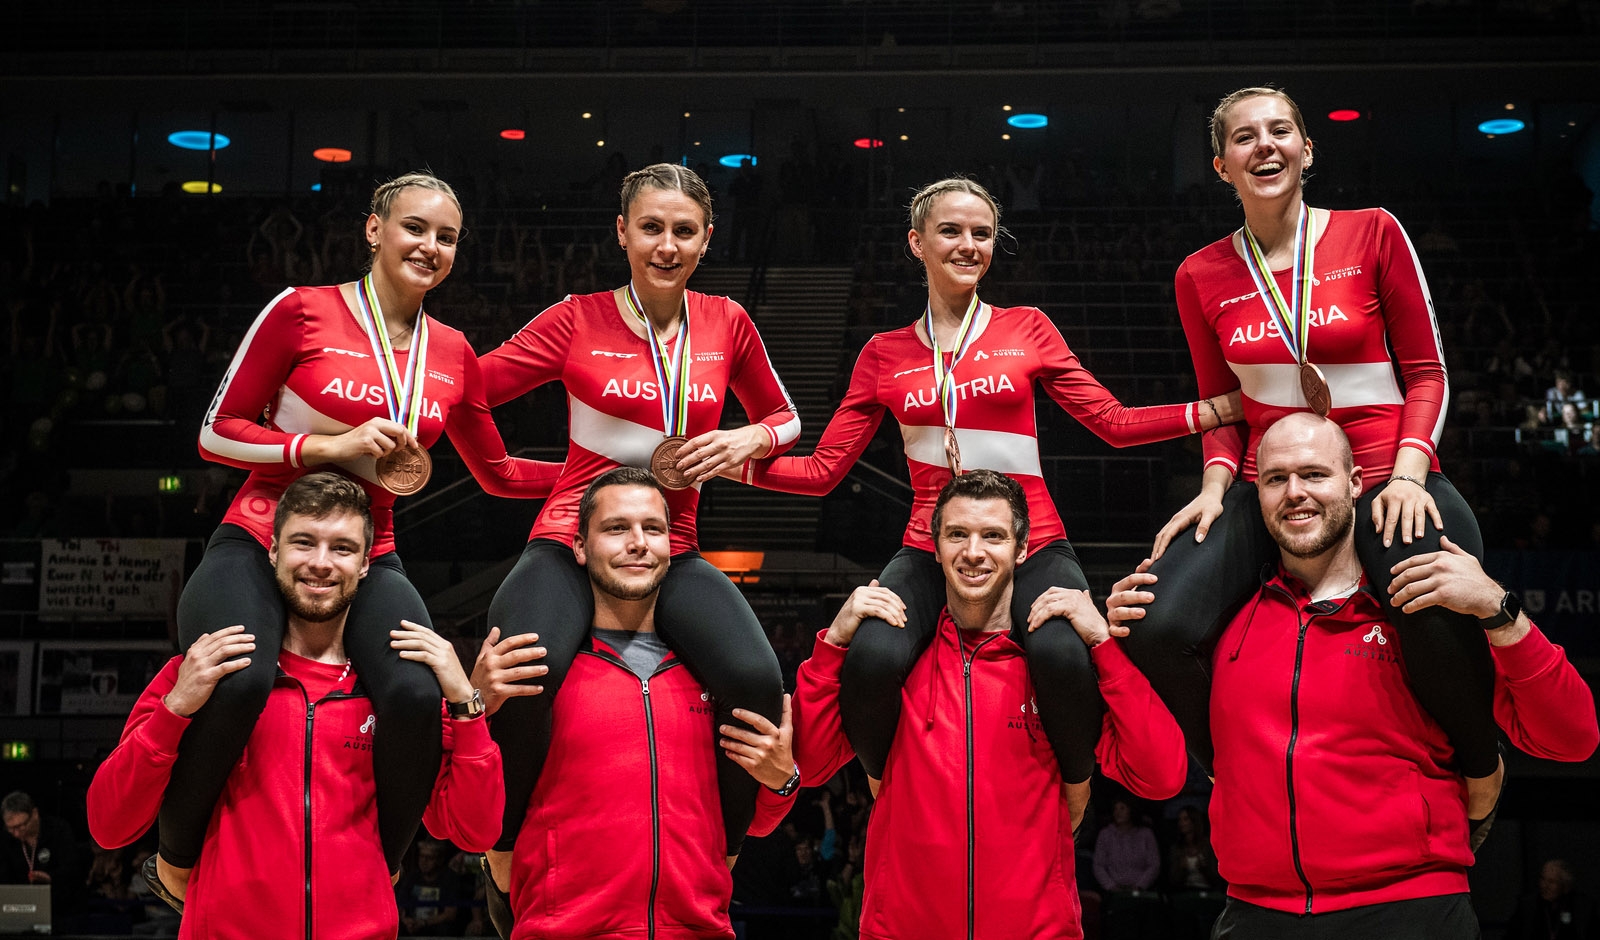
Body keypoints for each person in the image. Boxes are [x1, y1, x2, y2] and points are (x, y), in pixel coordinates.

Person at [730, 177, 1239, 806]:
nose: (968, 244)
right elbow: (824, 470)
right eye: (950, 231)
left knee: (1060, 655)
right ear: (916, 242)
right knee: (873, 659)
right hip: (927, 543)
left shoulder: (1027, 328)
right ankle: (886, 782)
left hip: (1034, 540)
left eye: (982, 233)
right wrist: (731, 465)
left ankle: (1075, 788)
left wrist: (1218, 409)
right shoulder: (883, 354)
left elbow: (1113, 423)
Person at [158, 173, 557, 902]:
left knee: (413, 691)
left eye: (446, 237)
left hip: (368, 553)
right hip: (260, 536)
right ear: (374, 229)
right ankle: (175, 859)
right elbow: (215, 433)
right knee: (240, 678)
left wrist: (598, 475)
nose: (429, 247)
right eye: (414, 228)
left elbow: (496, 472)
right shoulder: (302, 311)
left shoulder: (454, 352)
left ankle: (386, 861)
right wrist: (326, 447)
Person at [1123, 85, 1507, 837]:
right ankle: (1234, 770)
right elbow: (1218, 402)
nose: (1263, 146)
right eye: (1244, 137)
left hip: (1383, 470)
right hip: (1274, 484)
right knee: (1156, 626)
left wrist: (1406, 473)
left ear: (1306, 149)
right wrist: (1213, 485)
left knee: (1429, 595)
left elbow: (1427, 372)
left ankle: (1480, 765)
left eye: (1279, 132)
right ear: (1221, 164)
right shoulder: (1199, 274)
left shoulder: (1372, 232)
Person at [1108, 414, 1598, 936]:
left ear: (1356, 483)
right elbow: (1153, 765)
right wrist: (1112, 639)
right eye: (1276, 479)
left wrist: (1501, 612)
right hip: (1256, 914)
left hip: (1409, 910)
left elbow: (1572, 738)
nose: (1295, 492)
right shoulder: (1224, 625)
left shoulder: (1423, 616)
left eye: (1314, 474)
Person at [476, 163, 798, 890]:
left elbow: (787, 418)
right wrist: (504, 470)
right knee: (530, 675)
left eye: (684, 231)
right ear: (622, 232)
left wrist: (753, 440)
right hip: (569, 537)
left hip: (669, 547)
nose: (666, 245)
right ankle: (502, 852)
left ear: (706, 239)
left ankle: (724, 851)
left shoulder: (728, 322)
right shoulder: (574, 317)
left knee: (753, 676)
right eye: (650, 227)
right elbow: (469, 389)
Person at [86, 472, 504, 940]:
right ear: (272, 552)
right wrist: (175, 708)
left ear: (366, 564)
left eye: (342, 548)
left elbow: (475, 832)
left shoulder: (395, 692)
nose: (321, 563)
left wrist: (466, 704)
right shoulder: (203, 676)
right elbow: (109, 825)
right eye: (303, 542)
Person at [792, 469, 1187, 939]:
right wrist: (835, 641)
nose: (974, 552)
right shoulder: (901, 663)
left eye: (993, 536)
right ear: (935, 548)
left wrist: (1101, 641)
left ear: (1021, 550)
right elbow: (810, 765)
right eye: (957, 534)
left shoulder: (1053, 671)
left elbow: (1161, 775)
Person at [465, 468, 797, 939]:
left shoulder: (711, 675)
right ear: (580, 547)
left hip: (697, 929)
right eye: (616, 528)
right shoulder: (539, 674)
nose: (638, 542)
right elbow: (458, 814)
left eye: (653, 529)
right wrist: (471, 711)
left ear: (671, 545)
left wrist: (784, 781)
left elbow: (755, 822)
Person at [1, 790, 88, 909]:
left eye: (21, 826)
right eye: (11, 828)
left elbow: (73, 869)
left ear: (35, 814)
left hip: (61, 906)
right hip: (21, 906)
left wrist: (50, 878)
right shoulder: (6, 840)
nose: (16, 833)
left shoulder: (58, 830)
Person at [1506, 859, 1600, 940]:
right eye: (1543, 879)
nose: (1544, 886)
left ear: (1565, 886)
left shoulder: (1582, 907)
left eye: (1551, 882)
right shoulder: (1528, 906)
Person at [1092, 798, 1160, 893]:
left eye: (1122, 808)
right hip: (1112, 891)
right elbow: (1098, 865)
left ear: (1131, 810)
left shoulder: (1146, 834)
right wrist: (1111, 886)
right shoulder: (1105, 834)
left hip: (1141, 891)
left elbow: (1154, 864)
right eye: (1115, 809)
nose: (1118, 812)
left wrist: (1140, 886)